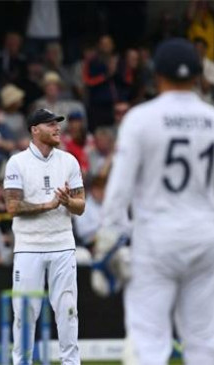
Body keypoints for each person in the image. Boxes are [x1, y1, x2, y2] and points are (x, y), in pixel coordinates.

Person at [96, 38, 214, 364]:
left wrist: (109, 237)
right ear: (197, 74)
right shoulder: (211, 118)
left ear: (157, 75)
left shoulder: (141, 118)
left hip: (156, 239)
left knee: (148, 342)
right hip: (205, 236)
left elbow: (119, 187)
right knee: (205, 342)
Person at [3, 108, 85, 364]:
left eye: (57, 123)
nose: (57, 128)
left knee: (68, 311)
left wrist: (67, 201)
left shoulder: (69, 161)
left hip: (62, 244)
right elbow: (12, 207)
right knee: (25, 313)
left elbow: (81, 206)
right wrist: (46, 206)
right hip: (28, 246)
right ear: (34, 129)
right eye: (50, 124)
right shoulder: (17, 162)